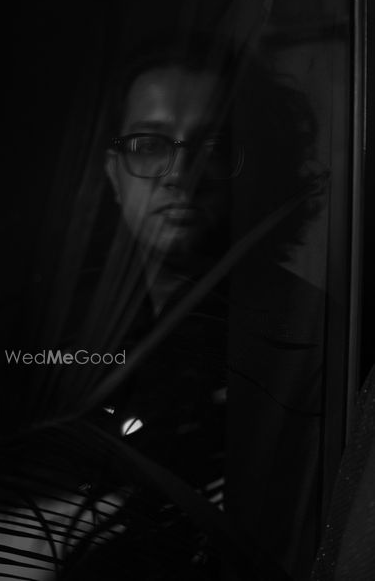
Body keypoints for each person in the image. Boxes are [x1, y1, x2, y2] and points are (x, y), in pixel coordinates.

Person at [57, 33, 327, 580]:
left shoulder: (309, 338)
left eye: (213, 144)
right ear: (113, 173)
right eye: (149, 145)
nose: (179, 174)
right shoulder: (70, 324)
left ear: (256, 166)